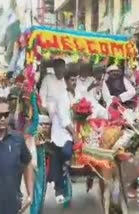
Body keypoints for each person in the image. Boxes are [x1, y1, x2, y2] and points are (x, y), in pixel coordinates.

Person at [49, 70, 77, 204]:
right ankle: (59, 188)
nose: (74, 82)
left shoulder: (77, 95)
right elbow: (64, 119)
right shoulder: (62, 97)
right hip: (62, 133)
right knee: (64, 153)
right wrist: (75, 134)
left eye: (75, 79)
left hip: (76, 132)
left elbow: (93, 106)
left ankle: (68, 168)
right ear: (66, 81)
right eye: (72, 79)